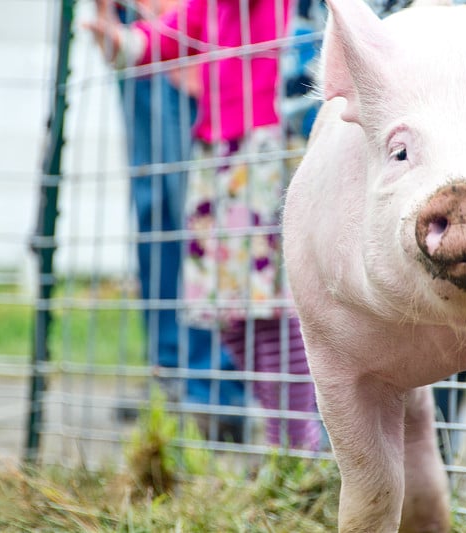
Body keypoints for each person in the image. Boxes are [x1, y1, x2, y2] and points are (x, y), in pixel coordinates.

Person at [87, 0, 321, 450]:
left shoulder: (277, 9)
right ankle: (290, 441)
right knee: (230, 313)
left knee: (273, 309)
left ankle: (300, 440)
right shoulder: (204, 8)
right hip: (219, 159)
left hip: (267, 154)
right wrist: (113, 40)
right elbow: (148, 44)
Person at [94, 0, 246, 437]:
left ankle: (215, 389)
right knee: (154, 208)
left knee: (199, 213)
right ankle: (169, 375)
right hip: (132, 22)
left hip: (197, 27)